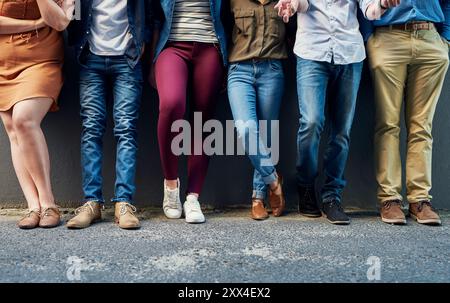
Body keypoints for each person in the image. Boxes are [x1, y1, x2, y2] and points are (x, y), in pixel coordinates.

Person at [276, 0, 367, 224]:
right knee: (311, 122)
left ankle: (332, 196)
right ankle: (306, 186)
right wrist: (292, 5)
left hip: (350, 53)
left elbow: (369, 9)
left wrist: (383, 4)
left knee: (342, 131)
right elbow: (302, 3)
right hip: (312, 52)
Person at [66, 0, 153, 230]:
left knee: (126, 128)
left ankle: (123, 203)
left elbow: (152, 11)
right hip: (91, 58)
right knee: (91, 127)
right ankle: (92, 203)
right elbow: (71, 12)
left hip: (128, 59)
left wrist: (143, 39)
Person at [362, 0, 449, 225]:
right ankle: (389, 198)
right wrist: (369, 38)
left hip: (430, 38)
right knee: (387, 124)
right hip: (387, 39)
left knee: (422, 126)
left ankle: (420, 199)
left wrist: (446, 38)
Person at [149, 0, 228, 224]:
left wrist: (226, 62)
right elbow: (155, 18)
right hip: (171, 46)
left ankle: (193, 197)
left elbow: (229, 15)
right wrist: (151, 64)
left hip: (210, 47)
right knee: (172, 104)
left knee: (202, 121)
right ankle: (171, 184)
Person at [0, 0, 73, 229]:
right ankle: (33, 206)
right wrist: (35, 23)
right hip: (4, 62)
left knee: (24, 119)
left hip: (42, 60)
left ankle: (48, 203)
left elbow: (60, 22)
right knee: (13, 129)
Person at [226, 0, 286, 220]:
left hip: (272, 69)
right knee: (246, 130)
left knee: (267, 134)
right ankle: (273, 181)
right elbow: (222, 26)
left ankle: (258, 197)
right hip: (239, 69)